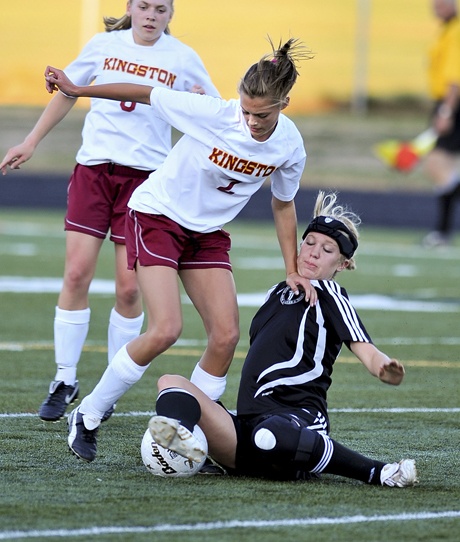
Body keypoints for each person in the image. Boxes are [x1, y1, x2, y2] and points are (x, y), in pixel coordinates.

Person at [45, 37, 318, 462]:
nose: (250, 121)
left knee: (226, 336)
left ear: (284, 102)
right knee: (165, 328)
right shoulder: (214, 112)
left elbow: (282, 204)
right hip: (157, 217)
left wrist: (293, 268)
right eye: (245, 110)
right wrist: (79, 91)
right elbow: (143, 92)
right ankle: (89, 414)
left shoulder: (290, 145)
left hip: (206, 233)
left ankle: (189, 431)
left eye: (261, 114)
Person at [0, 0, 219, 422]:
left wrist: (196, 100)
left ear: (171, 14)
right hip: (94, 172)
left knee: (129, 289)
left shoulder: (183, 58)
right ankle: (64, 378)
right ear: (130, 8)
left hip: (145, 183)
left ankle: (108, 388)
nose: (151, 15)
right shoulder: (103, 44)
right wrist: (31, 141)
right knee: (77, 273)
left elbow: (215, 113)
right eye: (144, 7)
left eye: (160, 8)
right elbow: (68, 91)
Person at [146, 191, 418, 488]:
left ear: (342, 264)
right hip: (246, 427)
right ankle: (181, 441)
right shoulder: (276, 292)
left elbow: (363, 347)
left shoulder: (331, 295)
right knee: (170, 383)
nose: (314, 252)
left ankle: (379, 472)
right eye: (310, 242)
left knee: (272, 436)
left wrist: (383, 367)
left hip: (296, 419)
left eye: (327, 250)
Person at [423, 0, 460, 247]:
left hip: (452, 104)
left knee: (438, 164)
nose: (436, 6)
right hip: (447, 103)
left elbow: (454, 78)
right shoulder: (447, 29)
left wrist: (446, 111)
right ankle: (442, 232)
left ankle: (442, 232)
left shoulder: (456, 31)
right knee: (446, 169)